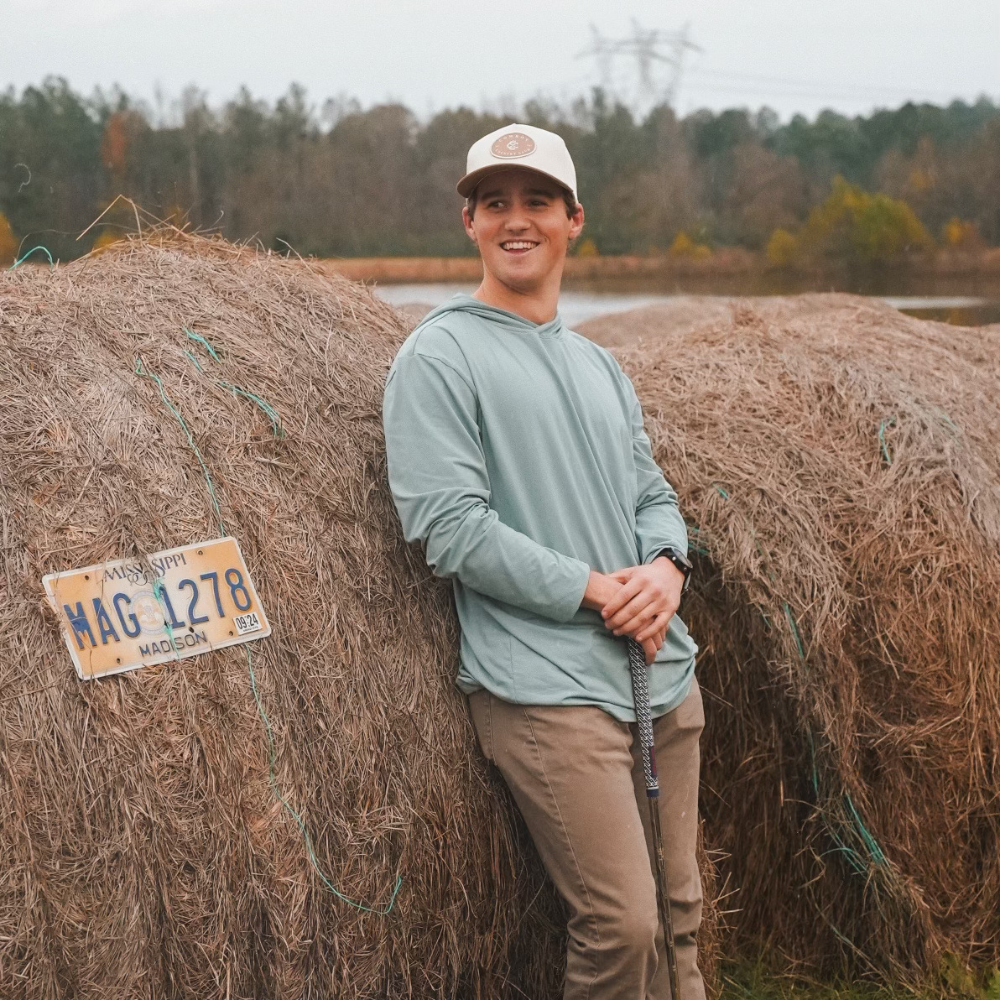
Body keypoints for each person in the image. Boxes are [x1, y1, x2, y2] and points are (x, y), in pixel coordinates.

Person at [382, 122, 704, 1000]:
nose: (514, 219)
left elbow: (652, 494)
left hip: (661, 674)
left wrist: (668, 568)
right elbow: (448, 526)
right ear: (469, 223)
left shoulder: (601, 366)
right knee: (623, 926)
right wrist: (597, 590)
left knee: (681, 918)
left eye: (535, 202)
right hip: (543, 689)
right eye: (495, 204)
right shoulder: (438, 355)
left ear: (573, 219)